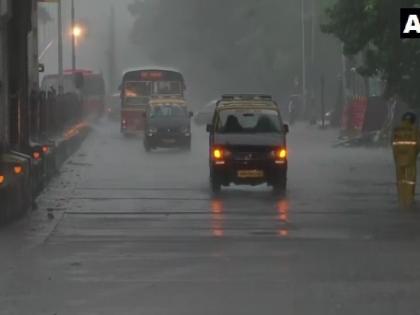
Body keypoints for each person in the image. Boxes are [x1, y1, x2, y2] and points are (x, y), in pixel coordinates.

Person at [392, 112, 420, 208]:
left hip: (399, 160)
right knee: (410, 181)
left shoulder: (397, 130)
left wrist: (395, 157)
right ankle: (409, 201)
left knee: (400, 181)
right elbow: (418, 145)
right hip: (411, 160)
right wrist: (415, 154)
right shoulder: (415, 130)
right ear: (413, 121)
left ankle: (401, 200)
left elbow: (393, 144)